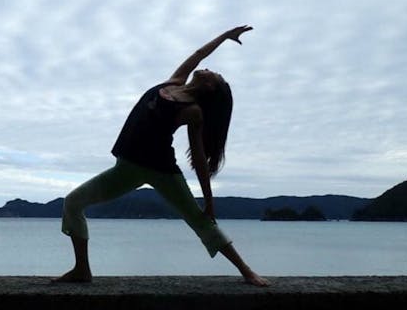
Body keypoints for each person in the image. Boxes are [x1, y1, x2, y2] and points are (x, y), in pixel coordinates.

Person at [53, 25, 269, 287]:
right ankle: (82, 270)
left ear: (210, 87)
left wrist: (209, 201)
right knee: (73, 202)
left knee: (200, 221)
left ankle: (246, 271)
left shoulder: (192, 111)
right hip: (127, 167)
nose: (209, 69)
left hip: (162, 170)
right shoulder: (174, 81)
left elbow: (199, 158)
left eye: (216, 74)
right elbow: (199, 53)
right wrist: (225, 37)